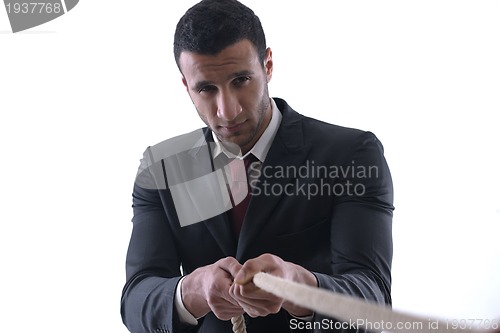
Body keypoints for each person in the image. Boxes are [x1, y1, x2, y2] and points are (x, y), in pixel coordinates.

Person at [120, 0, 394, 332]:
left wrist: (301, 288)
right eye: (206, 88)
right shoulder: (159, 168)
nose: (227, 111)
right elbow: (136, 301)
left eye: (240, 80)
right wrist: (191, 291)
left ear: (268, 65)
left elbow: (373, 299)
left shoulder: (351, 155)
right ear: (186, 86)